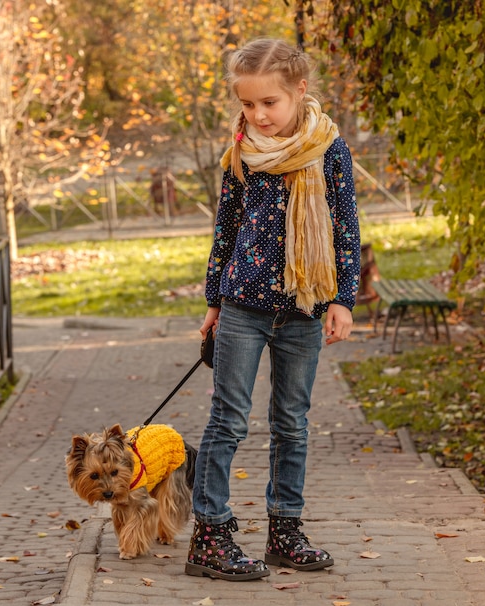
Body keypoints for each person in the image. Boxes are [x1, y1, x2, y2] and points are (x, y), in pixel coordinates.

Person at [184, 38, 361, 581]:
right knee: (228, 420)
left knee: (292, 423)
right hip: (243, 306)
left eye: (269, 103)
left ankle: (285, 530)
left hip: (305, 308)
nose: (258, 115)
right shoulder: (240, 153)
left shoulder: (329, 151)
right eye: (248, 105)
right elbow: (226, 228)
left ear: (299, 91)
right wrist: (214, 301)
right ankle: (210, 536)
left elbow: (345, 228)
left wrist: (343, 299)